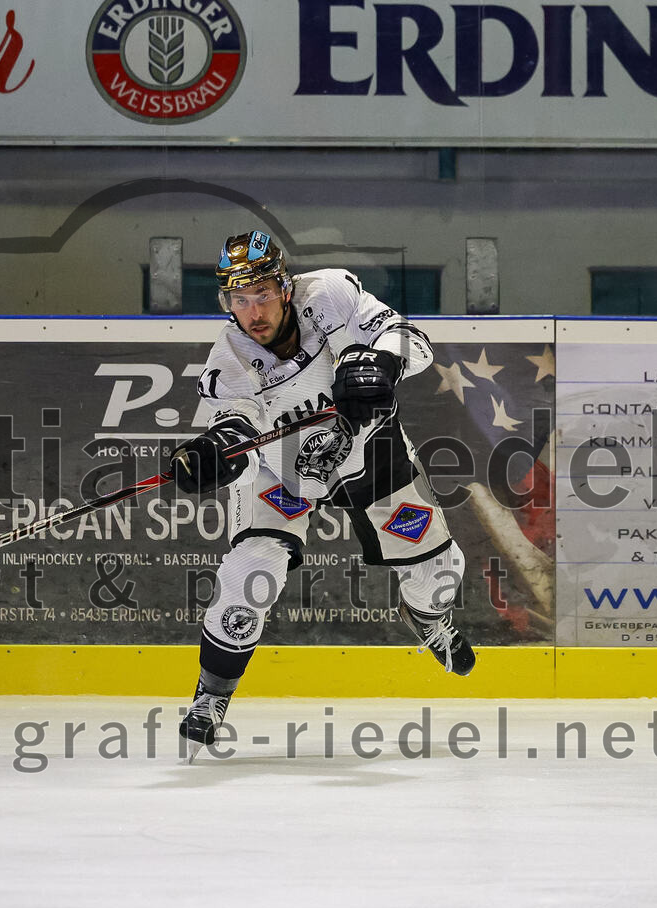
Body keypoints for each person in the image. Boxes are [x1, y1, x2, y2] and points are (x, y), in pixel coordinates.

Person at [172, 230, 476, 759]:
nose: (253, 311)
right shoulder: (228, 361)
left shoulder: (331, 294)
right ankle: (211, 695)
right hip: (283, 476)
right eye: (238, 299)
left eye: (262, 292)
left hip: (370, 455)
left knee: (442, 572)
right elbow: (237, 432)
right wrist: (216, 453)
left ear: (285, 286)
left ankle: (426, 615)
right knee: (250, 573)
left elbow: (412, 340)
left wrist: (381, 364)